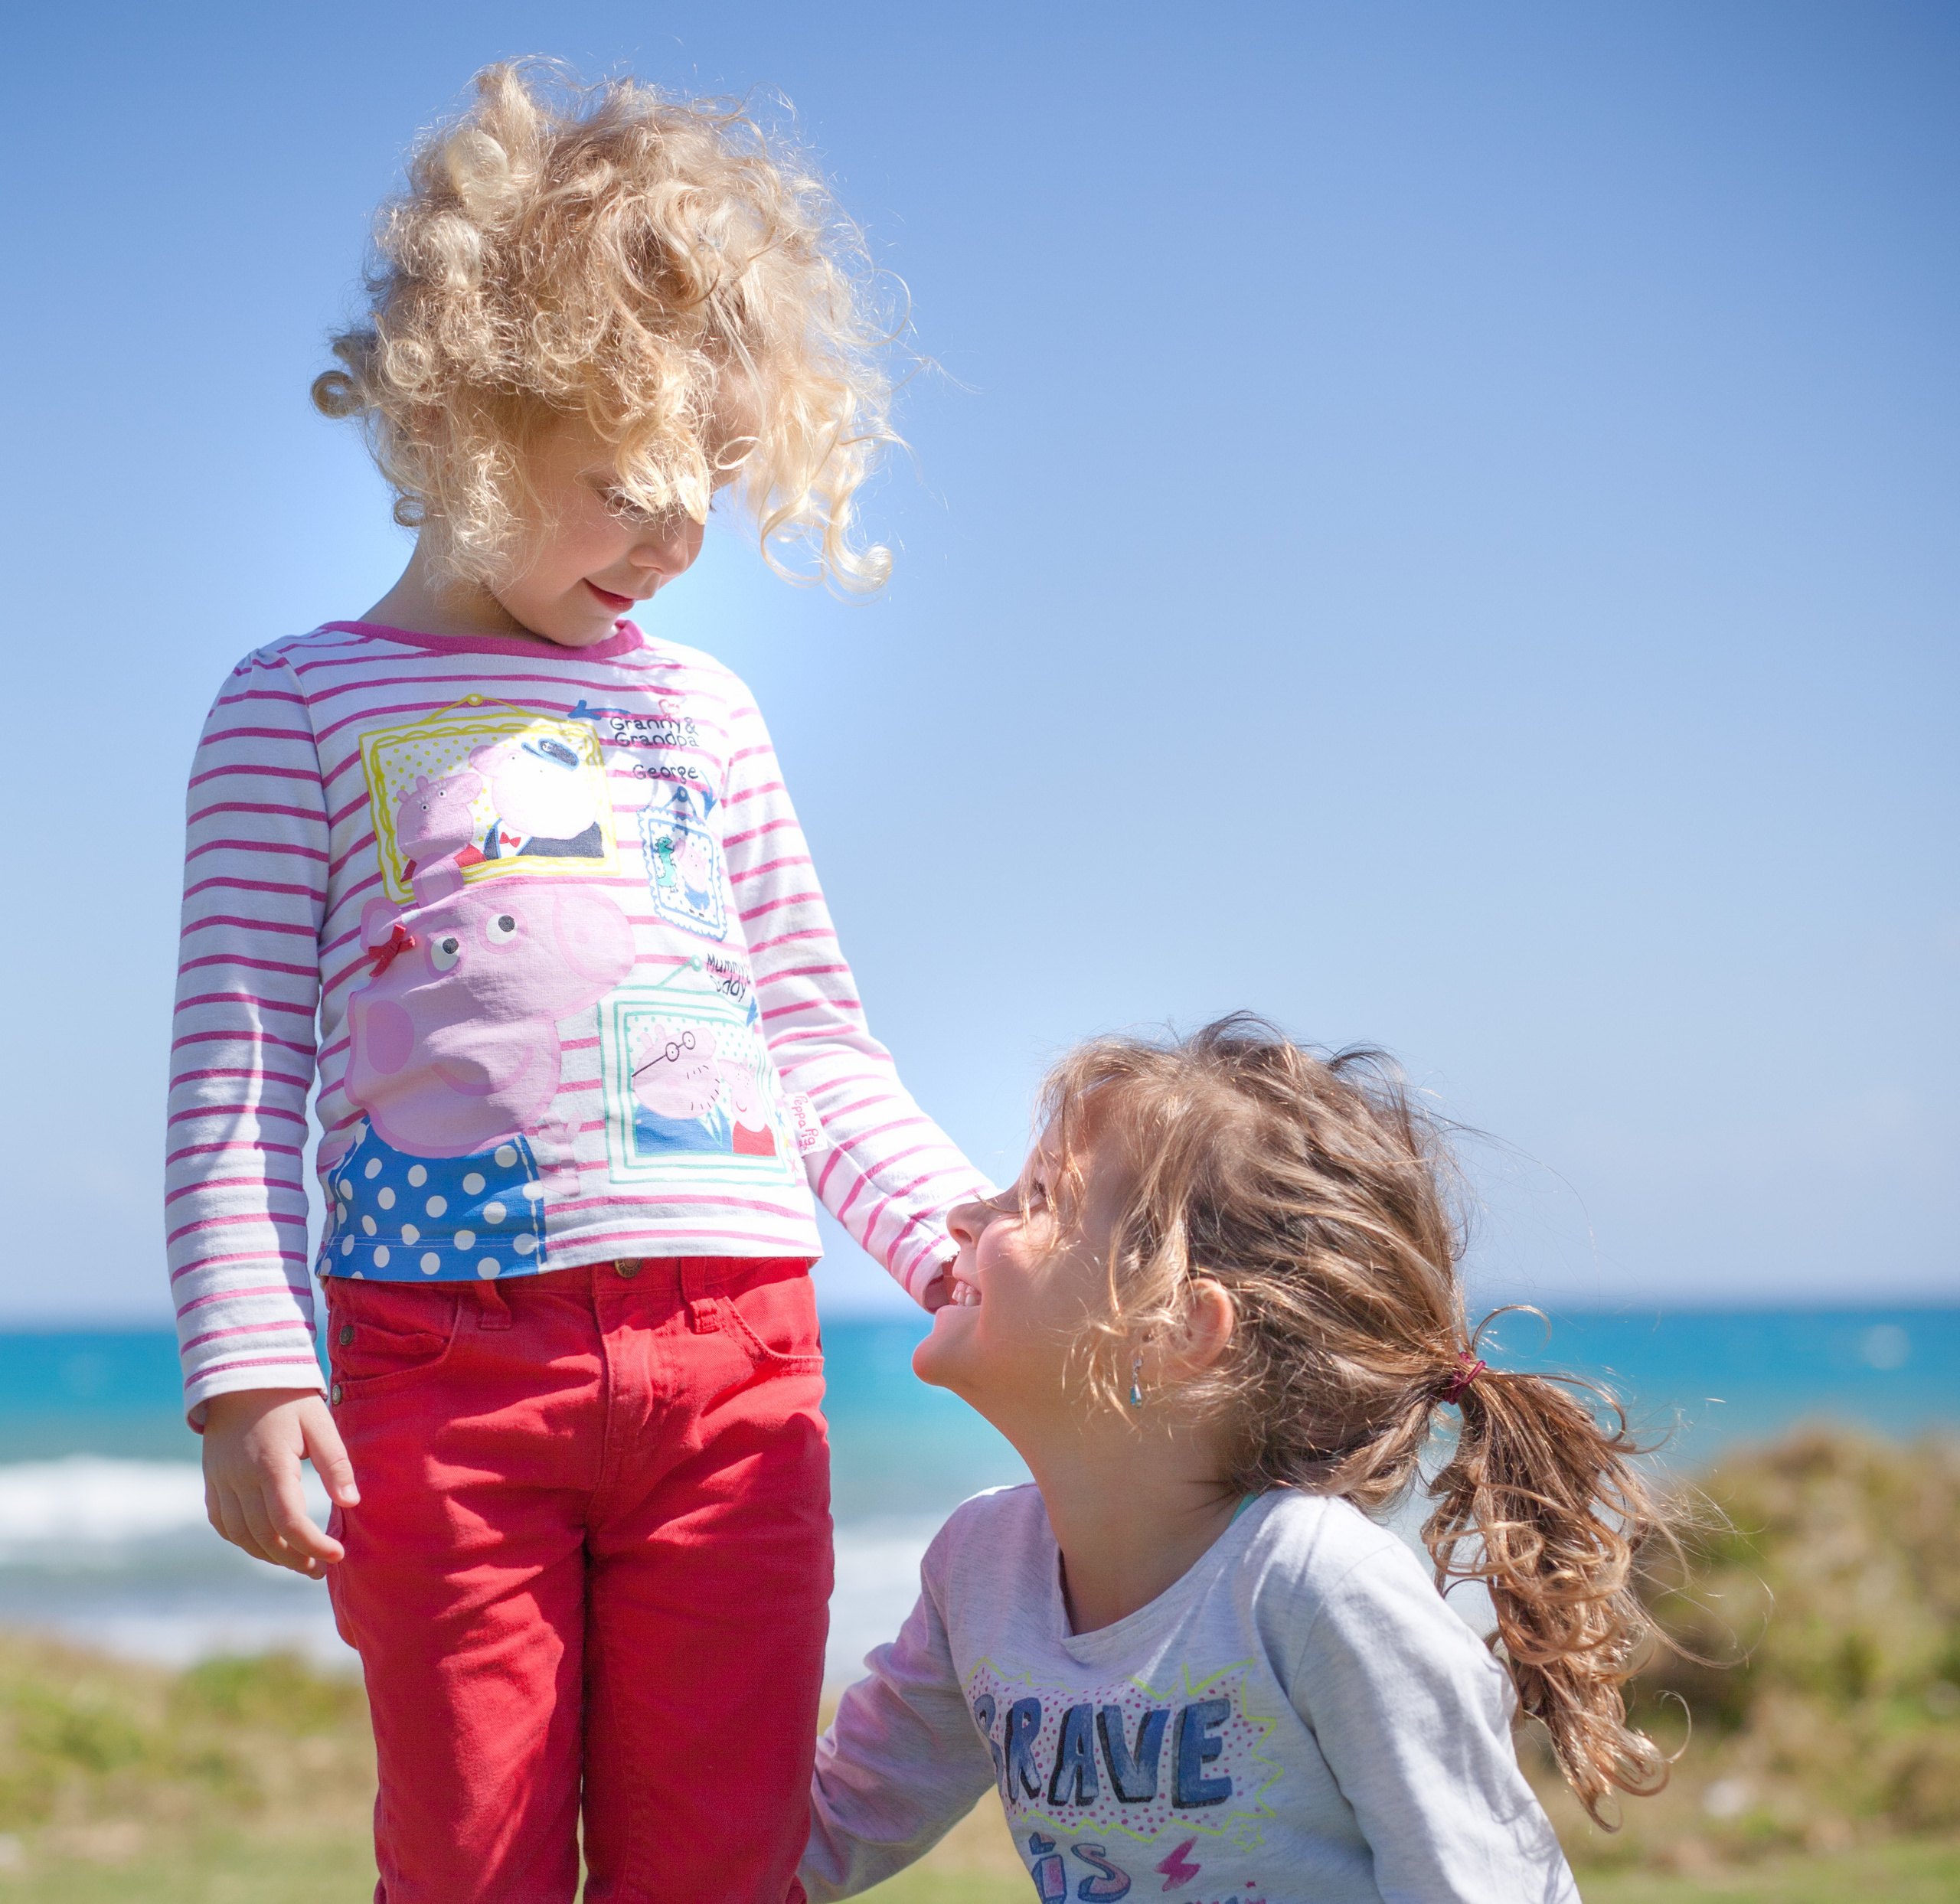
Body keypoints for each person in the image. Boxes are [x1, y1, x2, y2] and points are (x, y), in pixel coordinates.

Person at [168, 64, 988, 1904]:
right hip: (442, 1372)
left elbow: (808, 1034)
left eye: (715, 495)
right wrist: (245, 1369)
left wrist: (960, 1241)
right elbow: (234, 1066)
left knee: (722, 1862)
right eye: (632, 489)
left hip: (740, 1366)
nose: (678, 547)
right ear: (471, 410)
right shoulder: (296, 705)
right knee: (471, 1861)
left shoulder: (705, 712)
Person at [805, 1018, 1679, 1903]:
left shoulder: (1316, 1588)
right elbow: (816, 1831)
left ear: (1173, 1329)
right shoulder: (980, 1571)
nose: (960, 1216)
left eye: (1036, 1197)